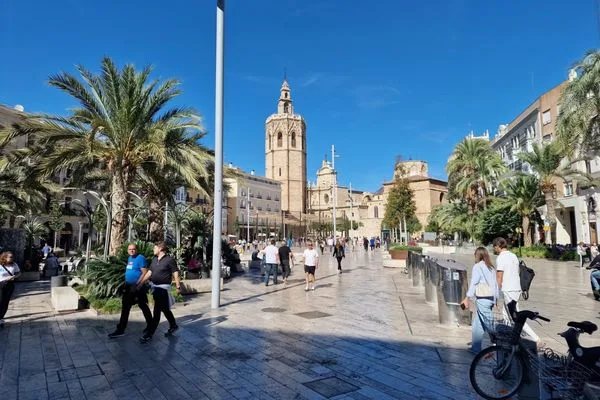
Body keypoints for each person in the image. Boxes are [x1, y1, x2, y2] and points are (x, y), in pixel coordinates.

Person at [493, 237, 542, 347]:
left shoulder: (501, 258)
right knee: (505, 315)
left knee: (516, 316)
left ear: (498, 246)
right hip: (516, 288)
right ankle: (508, 337)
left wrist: (496, 294)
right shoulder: (513, 255)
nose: (494, 249)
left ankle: (536, 338)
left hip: (508, 289)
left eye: (494, 246)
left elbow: (499, 277)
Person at [138, 242, 181, 344]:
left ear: (161, 248)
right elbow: (150, 272)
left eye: (155, 247)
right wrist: (141, 282)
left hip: (163, 289)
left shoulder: (169, 260)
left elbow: (175, 272)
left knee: (156, 312)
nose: (153, 249)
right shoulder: (154, 260)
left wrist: (178, 286)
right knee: (165, 309)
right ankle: (173, 325)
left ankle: (149, 334)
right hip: (156, 288)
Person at [108, 244, 153, 339]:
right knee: (128, 307)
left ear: (137, 249)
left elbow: (145, 272)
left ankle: (150, 326)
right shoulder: (130, 258)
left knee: (141, 306)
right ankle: (121, 329)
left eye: (133, 249)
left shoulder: (140, 258)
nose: (132, 251)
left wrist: (138, 284)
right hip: (128, 286)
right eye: (130, 249)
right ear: (128, 250)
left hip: (137, 286)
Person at [461, 247, 498, 353]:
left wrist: (467, 297)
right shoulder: (491, 267)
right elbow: (495, 285)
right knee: (477, 325)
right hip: (490, 299)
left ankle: (499, 345)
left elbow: (474, 283)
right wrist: (496, 300)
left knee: (489, 324)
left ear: (477, 255)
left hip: (483, 298)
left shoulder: (477, 267)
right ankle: (476, 348)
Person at [0, 252, 20, 327]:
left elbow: (19, 273)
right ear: (4, 257)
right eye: (10, 257)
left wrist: (14, 277)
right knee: (0, 301)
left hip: (9, 285)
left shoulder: (14, 264)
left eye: (12, 257)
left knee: (5, 302)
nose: (12, 258)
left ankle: (1, 317)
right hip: (0, 284)